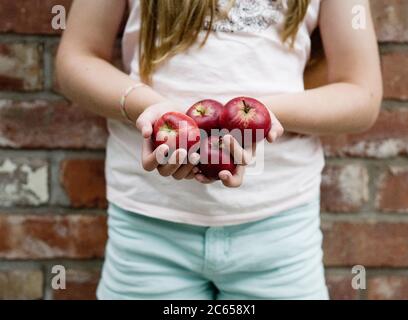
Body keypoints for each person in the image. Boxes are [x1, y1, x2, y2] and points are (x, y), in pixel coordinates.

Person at [56, 0, 382, 300]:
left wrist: (260, 114)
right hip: (149, 224)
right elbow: (77, 57)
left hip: (278, 227)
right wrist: (150, 108)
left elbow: (361, 93)